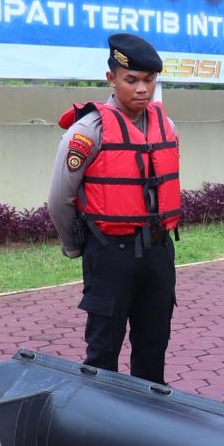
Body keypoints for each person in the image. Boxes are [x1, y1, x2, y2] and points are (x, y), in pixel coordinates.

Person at [47, 33, 180, 384]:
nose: (142, 89)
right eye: (131, 80)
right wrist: (77, 246)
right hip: (109, 253)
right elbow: (59, 199)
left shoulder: (166, 127)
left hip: (158, 252)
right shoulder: (87, 131)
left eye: (149, 80)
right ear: (111, 78)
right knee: (103, 355)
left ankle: (149, 415)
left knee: (153, 350)